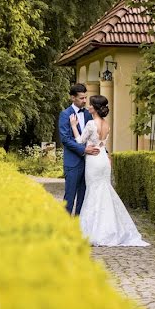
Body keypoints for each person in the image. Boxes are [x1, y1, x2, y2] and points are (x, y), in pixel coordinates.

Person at [69, 95, 149, 247]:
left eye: (91, 105)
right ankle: (109, 228)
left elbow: (80, 141)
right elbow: (102, 144)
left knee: (93, 191)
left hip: (93, 160)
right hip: (103, 160)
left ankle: (93, 231)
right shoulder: (107, 124)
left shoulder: (91, 124)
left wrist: (74, 125)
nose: (88, 107)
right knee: (104, 190)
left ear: (95, 108)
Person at [58, 83, 100, 215]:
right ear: (72, 98)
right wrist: (83, 150)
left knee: (84, 196)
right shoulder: (65, 115)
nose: (85, 101)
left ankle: (79, 225)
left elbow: (93, 136)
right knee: (69, 197)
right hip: (73, 162)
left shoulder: (88, 114)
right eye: (82, 98)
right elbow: (65, 139)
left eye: (86, 98)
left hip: (88, 163)